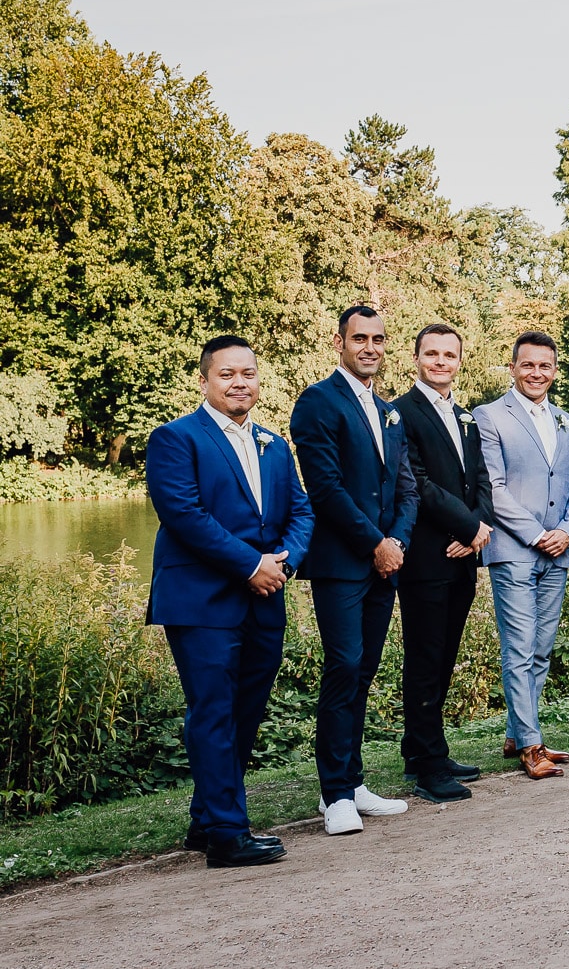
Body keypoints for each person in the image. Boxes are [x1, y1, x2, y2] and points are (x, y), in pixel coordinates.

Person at [146, 336, 313, 867]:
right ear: (204, 381)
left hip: (266, 596)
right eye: (227, 374)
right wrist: (250, 564)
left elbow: (302, 512)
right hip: (202, 599)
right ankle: (227, 833)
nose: (240, 382)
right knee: (213, 712)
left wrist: (283, 562)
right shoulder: (175, 439)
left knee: (245, 712)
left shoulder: (274, 444)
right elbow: (184, 515)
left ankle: (207, 820)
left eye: (248, 374)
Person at [290, 306, 419, 836]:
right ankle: (334, 794)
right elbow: (324, 489)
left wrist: (399, 541)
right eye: (359, 338)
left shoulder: (390, 411)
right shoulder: (317, 402)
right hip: (343, 563)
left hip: (385, 562)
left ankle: (354, 780)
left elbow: (406, 486)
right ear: (339, 342)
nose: (370, 347)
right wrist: (375, 543)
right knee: (343, 666)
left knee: (365, 669)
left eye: (379, 339)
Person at [475, 331, 569, 780]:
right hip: (514, 550)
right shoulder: (489, 417)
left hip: (557, 551)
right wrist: (537, 533)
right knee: (519, 649)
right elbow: (494, 487)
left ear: (555, 370)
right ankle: (530, 745)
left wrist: (565, 531)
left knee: (541, 649)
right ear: (513, 367)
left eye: (545, 365)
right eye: (528, 365)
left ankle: (515, 732)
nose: (536, 373)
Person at [393, 323, 493, 803]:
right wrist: (467, 527)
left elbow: (480, 479)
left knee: (445, 655)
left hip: (462, 556)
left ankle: (423, 746)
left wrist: (479, 528)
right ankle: (428, 768)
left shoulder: (465, 416)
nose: (440, 362)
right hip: (425, 557)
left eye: (449, 355)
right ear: (416, 359)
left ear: (459, 360)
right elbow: (417, 481)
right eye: (431, 354)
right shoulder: (400, 413)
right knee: (425, 657)